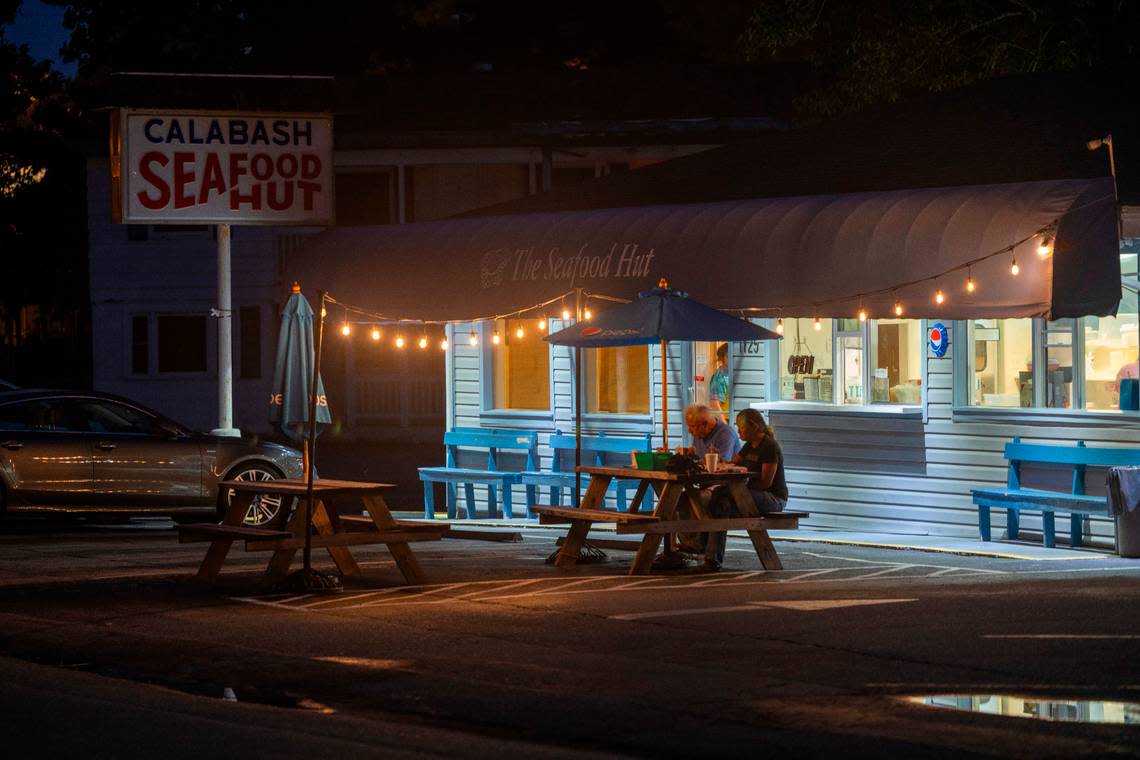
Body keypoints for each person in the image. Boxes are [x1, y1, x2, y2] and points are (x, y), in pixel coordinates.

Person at [700, 408, 788, 572]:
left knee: (722, 495)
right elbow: (733, 463)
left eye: (742, 428)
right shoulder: (749, 446)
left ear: (754, 427)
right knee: (721, 505)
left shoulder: (769, 446)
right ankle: (711, 558)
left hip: (773, 498)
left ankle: (705, 549)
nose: (739, 431)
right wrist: (720, 460)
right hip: (748, 494)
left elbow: (766, 482)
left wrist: (740, 489)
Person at [708, 343, 730, 422]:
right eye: (728, 356)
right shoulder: (719, 377)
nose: (731, 359)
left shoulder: (729, 374)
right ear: (722, 358)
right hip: (726, 419)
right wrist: (724, 424)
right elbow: (715, 403)